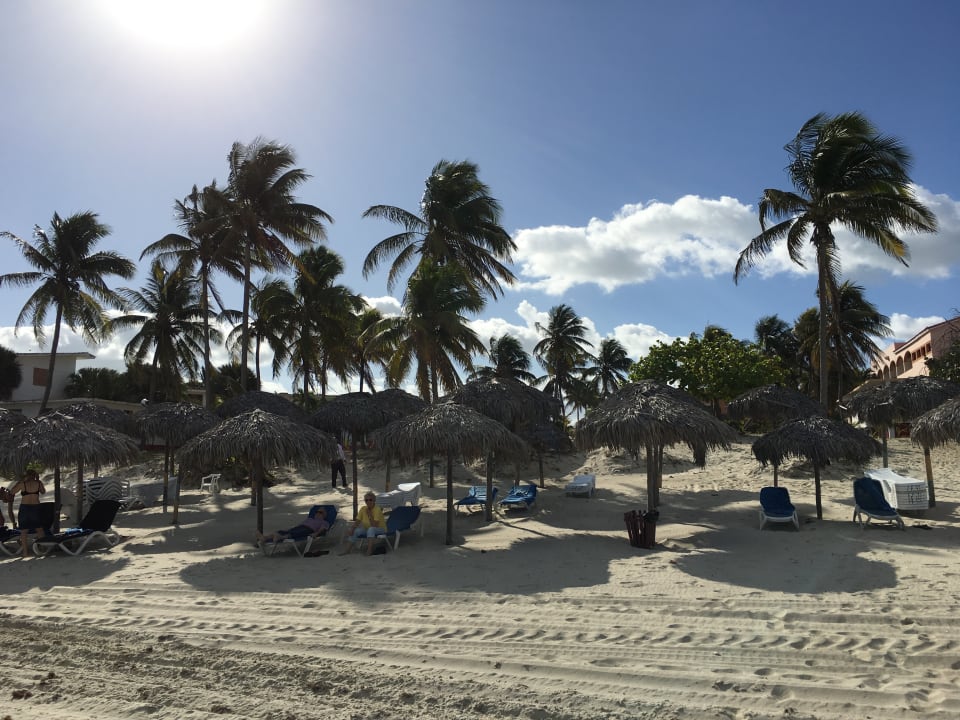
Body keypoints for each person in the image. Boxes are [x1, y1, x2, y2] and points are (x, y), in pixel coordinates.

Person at [9, 469, 46, 557]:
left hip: (25, 508)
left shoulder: (22, 484)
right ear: (35, 475)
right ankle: (42, 548)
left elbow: (12, 492)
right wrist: (38, 480)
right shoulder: (38, 483)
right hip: (36, 507)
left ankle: (25, 552)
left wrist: (20, 481)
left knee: (24, 531)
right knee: (39, 529)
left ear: (27, 476)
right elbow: (43, 492)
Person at [256, 507, 330, 545]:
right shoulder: (310, 519)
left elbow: (322, 529)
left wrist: (316, 534)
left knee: (297, 533)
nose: (317, 513)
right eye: (317, 512)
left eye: (320, 512)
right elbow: (300, 524)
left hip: (309, 530)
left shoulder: (324, 522)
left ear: (324, 515)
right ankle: (264, 538)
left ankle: (280, 537)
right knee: (285, 531)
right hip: (301, 527)